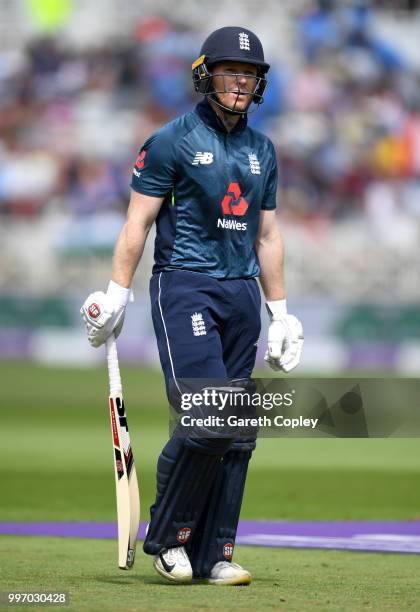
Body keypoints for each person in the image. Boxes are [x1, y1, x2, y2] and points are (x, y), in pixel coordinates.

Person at [81, 26, 303, 586]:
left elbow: (268, 236)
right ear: (205, 75)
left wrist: (281, 312)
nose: (241, 83)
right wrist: (115, 291)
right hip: (185, 284)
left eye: (250, 75)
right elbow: (138, 222)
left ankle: (216, 553)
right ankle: (167, 539)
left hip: (241, 292)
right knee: (208, 417)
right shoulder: (170, 140)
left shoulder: (263, 150)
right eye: (231, 72)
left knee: (239, 428)